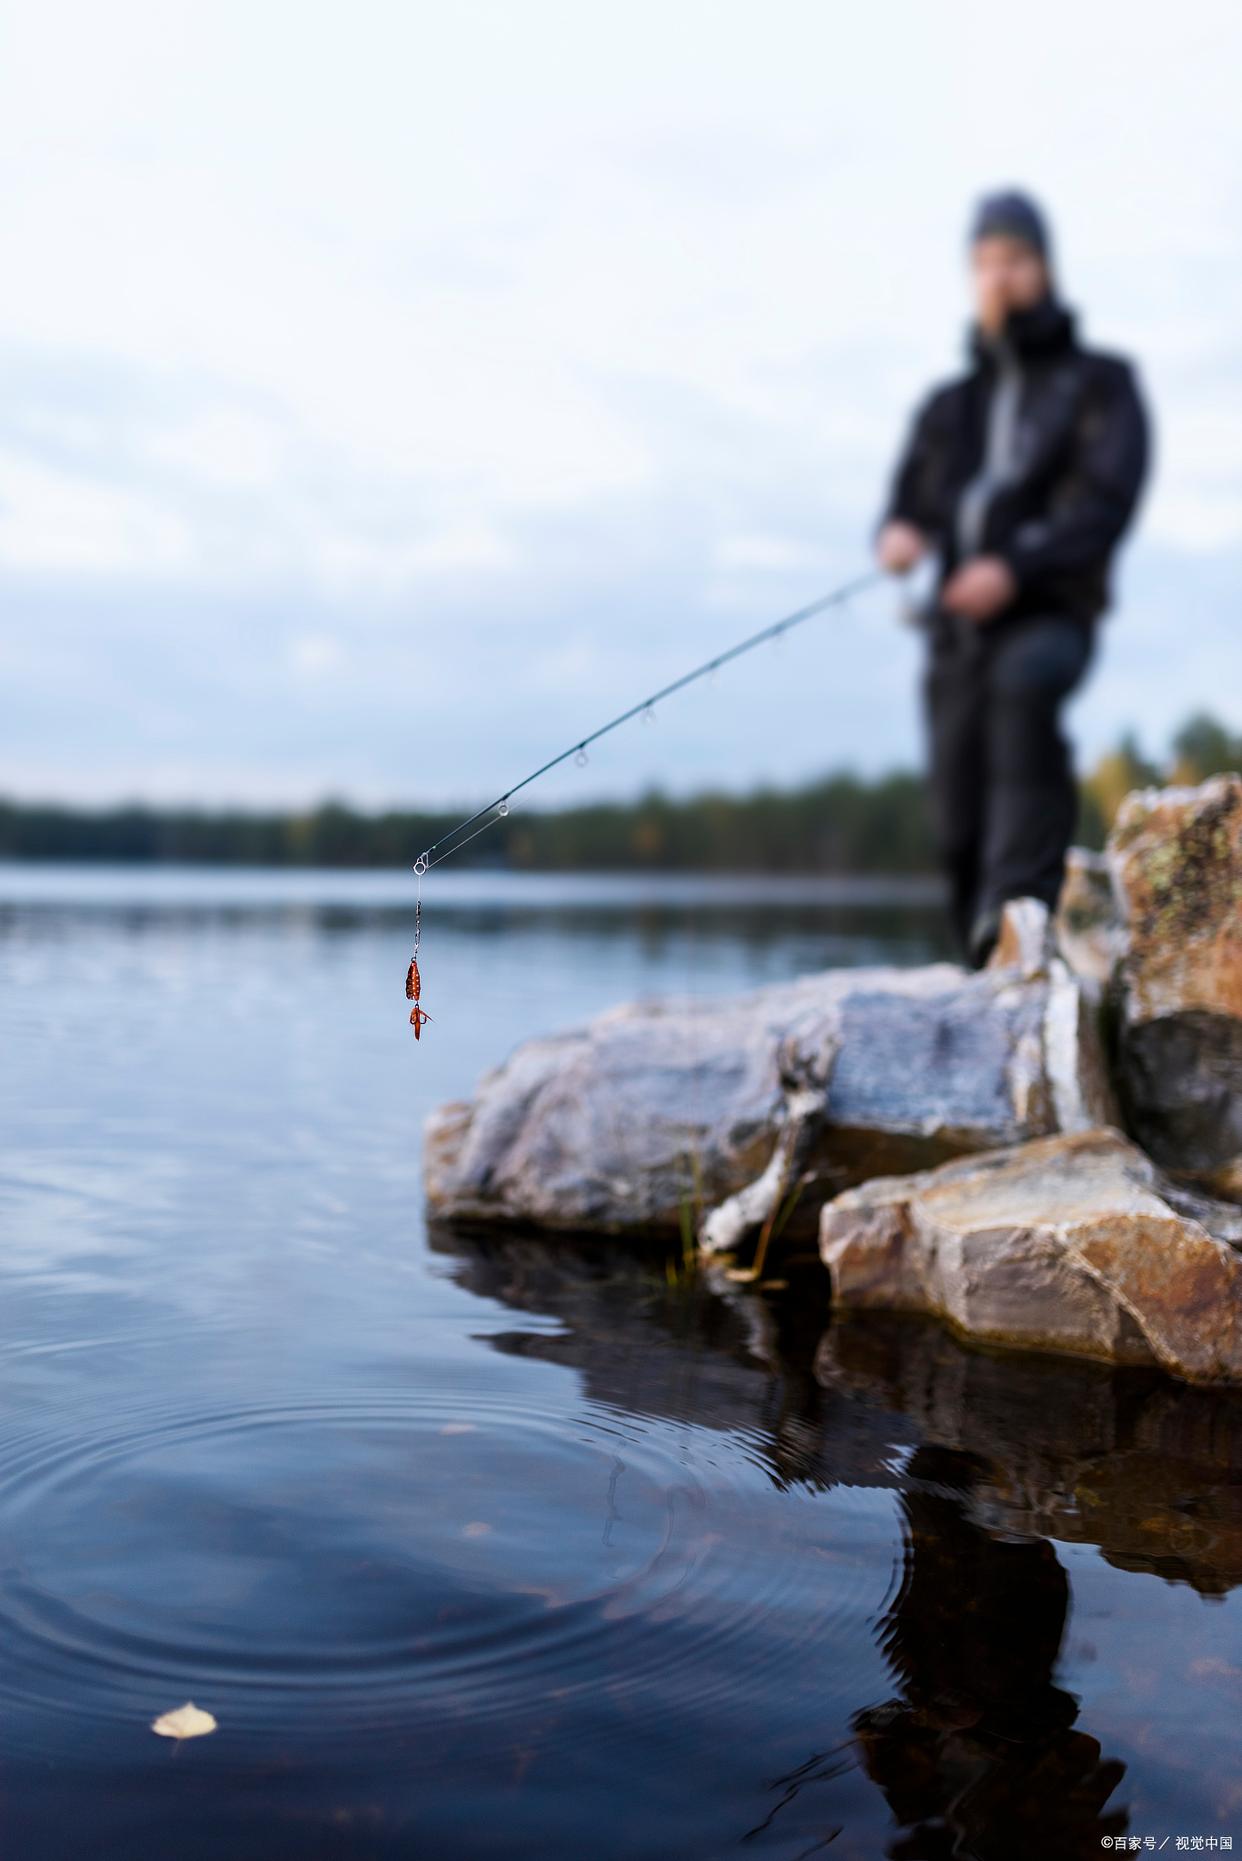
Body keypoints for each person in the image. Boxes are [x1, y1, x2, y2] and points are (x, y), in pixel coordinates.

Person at [874, 189, 1151, 967]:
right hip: (955, 631)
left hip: (1051, 614)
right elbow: (912, 502)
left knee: (1021, 695)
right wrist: (900, 536)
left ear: (1045, 267)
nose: (998, 277)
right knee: (957, 807)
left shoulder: (1100, 384)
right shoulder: (950, 407)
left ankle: (1017, 924)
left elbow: (1103, 503)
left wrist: (1015, 567)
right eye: (984, 263)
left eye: (1014, 259)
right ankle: (980, 955)